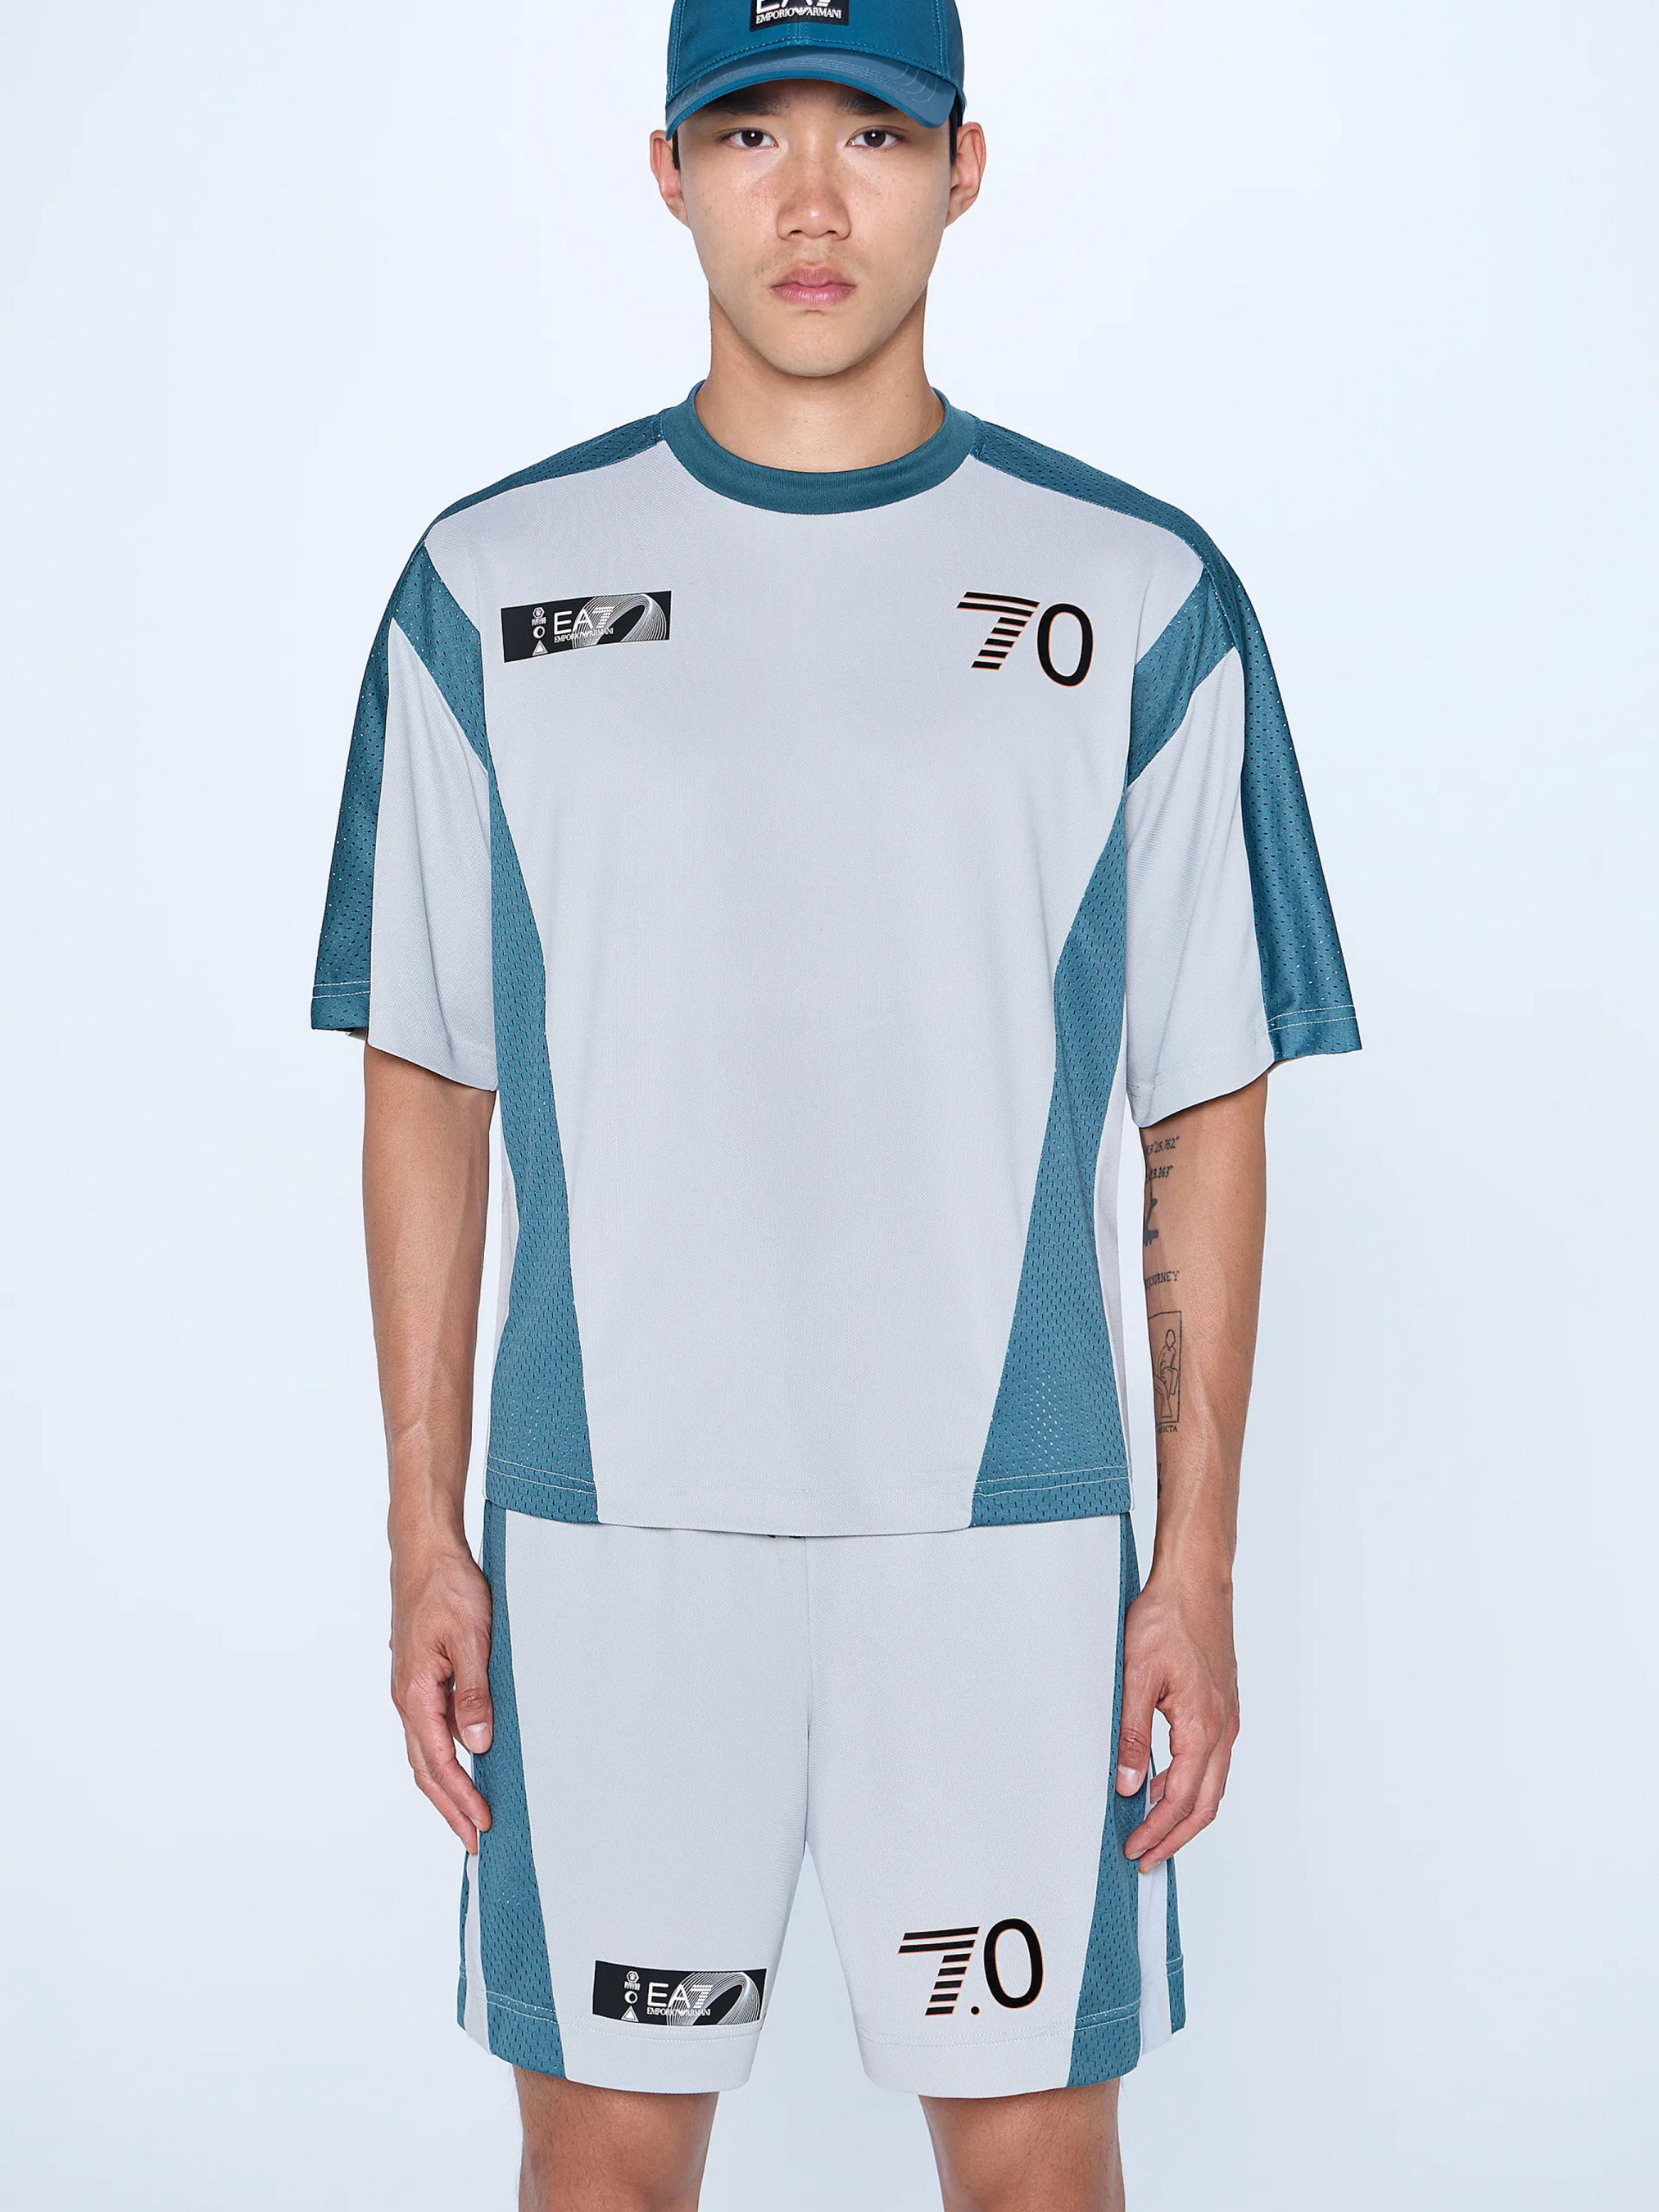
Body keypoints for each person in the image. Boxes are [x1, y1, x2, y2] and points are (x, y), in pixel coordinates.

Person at [311, 2, 1360, 2204]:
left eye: (871, 132)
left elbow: (1205, 1101)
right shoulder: (485, 590)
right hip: (610, 1537)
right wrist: (423, 1529)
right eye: (748, 133)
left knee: (1033, 2167)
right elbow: (427, 1069)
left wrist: (1194, 1563)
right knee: (603, 2164)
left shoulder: (1138, 594)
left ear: (964, 164)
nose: (809, 196)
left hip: (1000, 1550)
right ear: (666, 170)